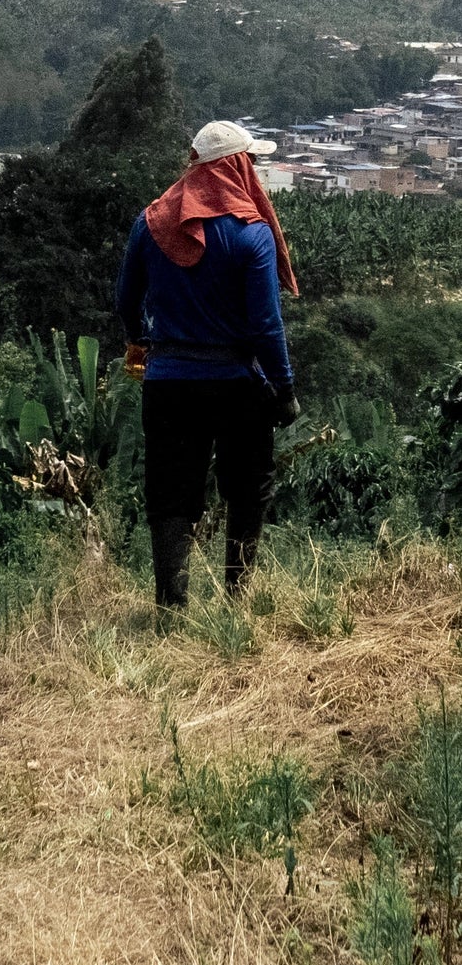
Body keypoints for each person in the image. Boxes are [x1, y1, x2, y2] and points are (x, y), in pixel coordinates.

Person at [115, 119, 300, 609]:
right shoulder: (251, 234)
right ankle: (236, 598)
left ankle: (171, 605)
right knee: (246, 488)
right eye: (251, 162)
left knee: (170, 493)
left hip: (169, 382)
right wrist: (284, 388)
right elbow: (266, 325)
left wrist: (140, 340)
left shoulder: (151, 223)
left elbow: (126, 299)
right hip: (237, 383)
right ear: (237, 167)